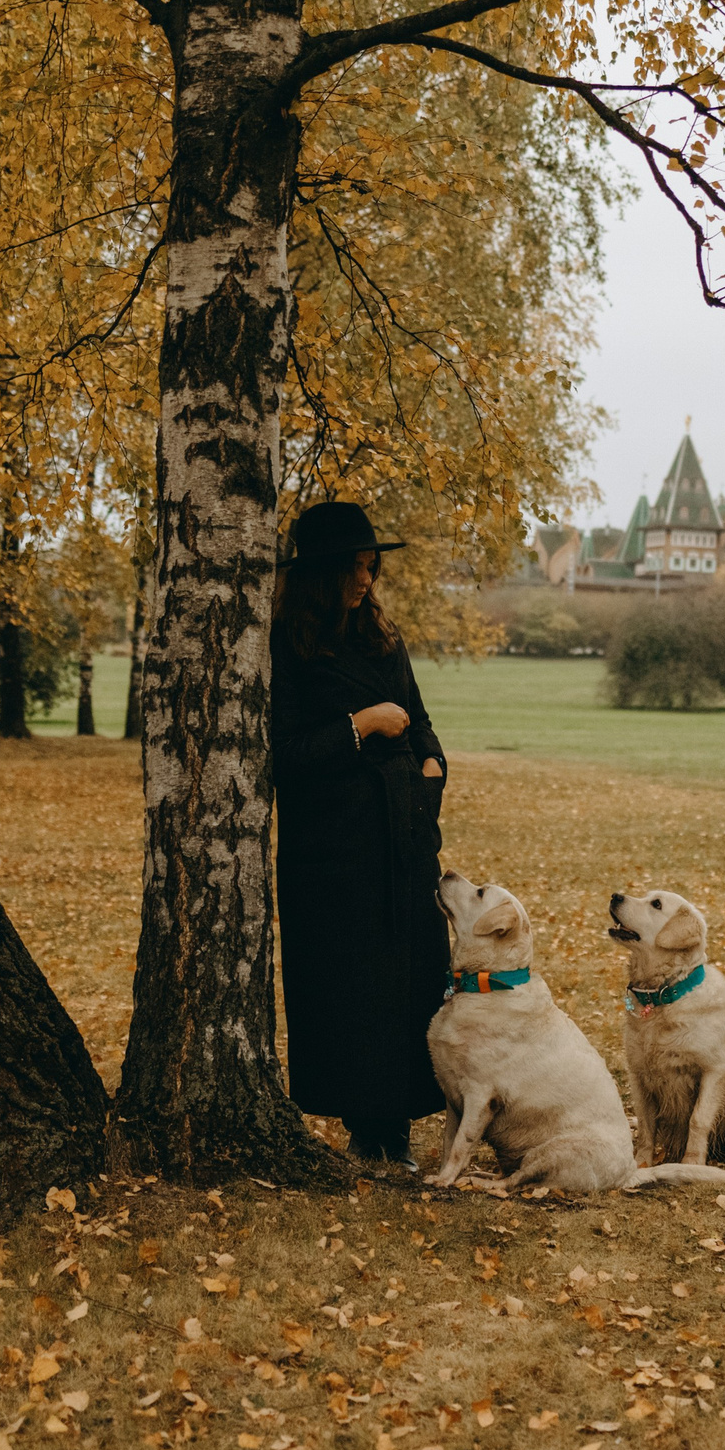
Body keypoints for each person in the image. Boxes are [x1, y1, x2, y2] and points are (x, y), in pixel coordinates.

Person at [268, 501, 449, 1170]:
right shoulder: (290, 646)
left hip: (402, 836)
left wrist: (431, 770)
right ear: (323, 574)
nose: (367, 580)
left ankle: (397, 1126)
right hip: (332, 848)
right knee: (351, 986)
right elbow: (285, 753)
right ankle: (363, 1124)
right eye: (356, 568)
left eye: (372, 567)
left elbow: (420, 720)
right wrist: (360, 725)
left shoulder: (382, 637)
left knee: (411, 980)